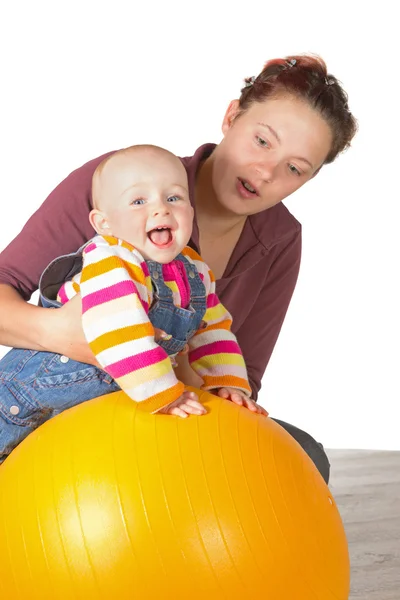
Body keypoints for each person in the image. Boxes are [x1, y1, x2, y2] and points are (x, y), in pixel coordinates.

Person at [0, 54, 358, 482]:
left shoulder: (279, 240)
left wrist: (221, 391)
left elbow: (240, 372)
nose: (265, 172)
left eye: (295, 168)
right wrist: (69, 334)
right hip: (56, 404)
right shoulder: (124, 181)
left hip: (169, 409)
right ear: (231, 116)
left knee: (301, 457)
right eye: (262, 141)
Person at [0, 144, 267, 464]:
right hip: (22, 402)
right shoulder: (111, 259)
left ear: (190, 211)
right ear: (104, 224)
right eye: (139, 201)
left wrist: (227, 384)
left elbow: (214, 331)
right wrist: (165, 395)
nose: (161, 209)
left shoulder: (195, 272)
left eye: (174, 198)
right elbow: (121, 334)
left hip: (90, 411)